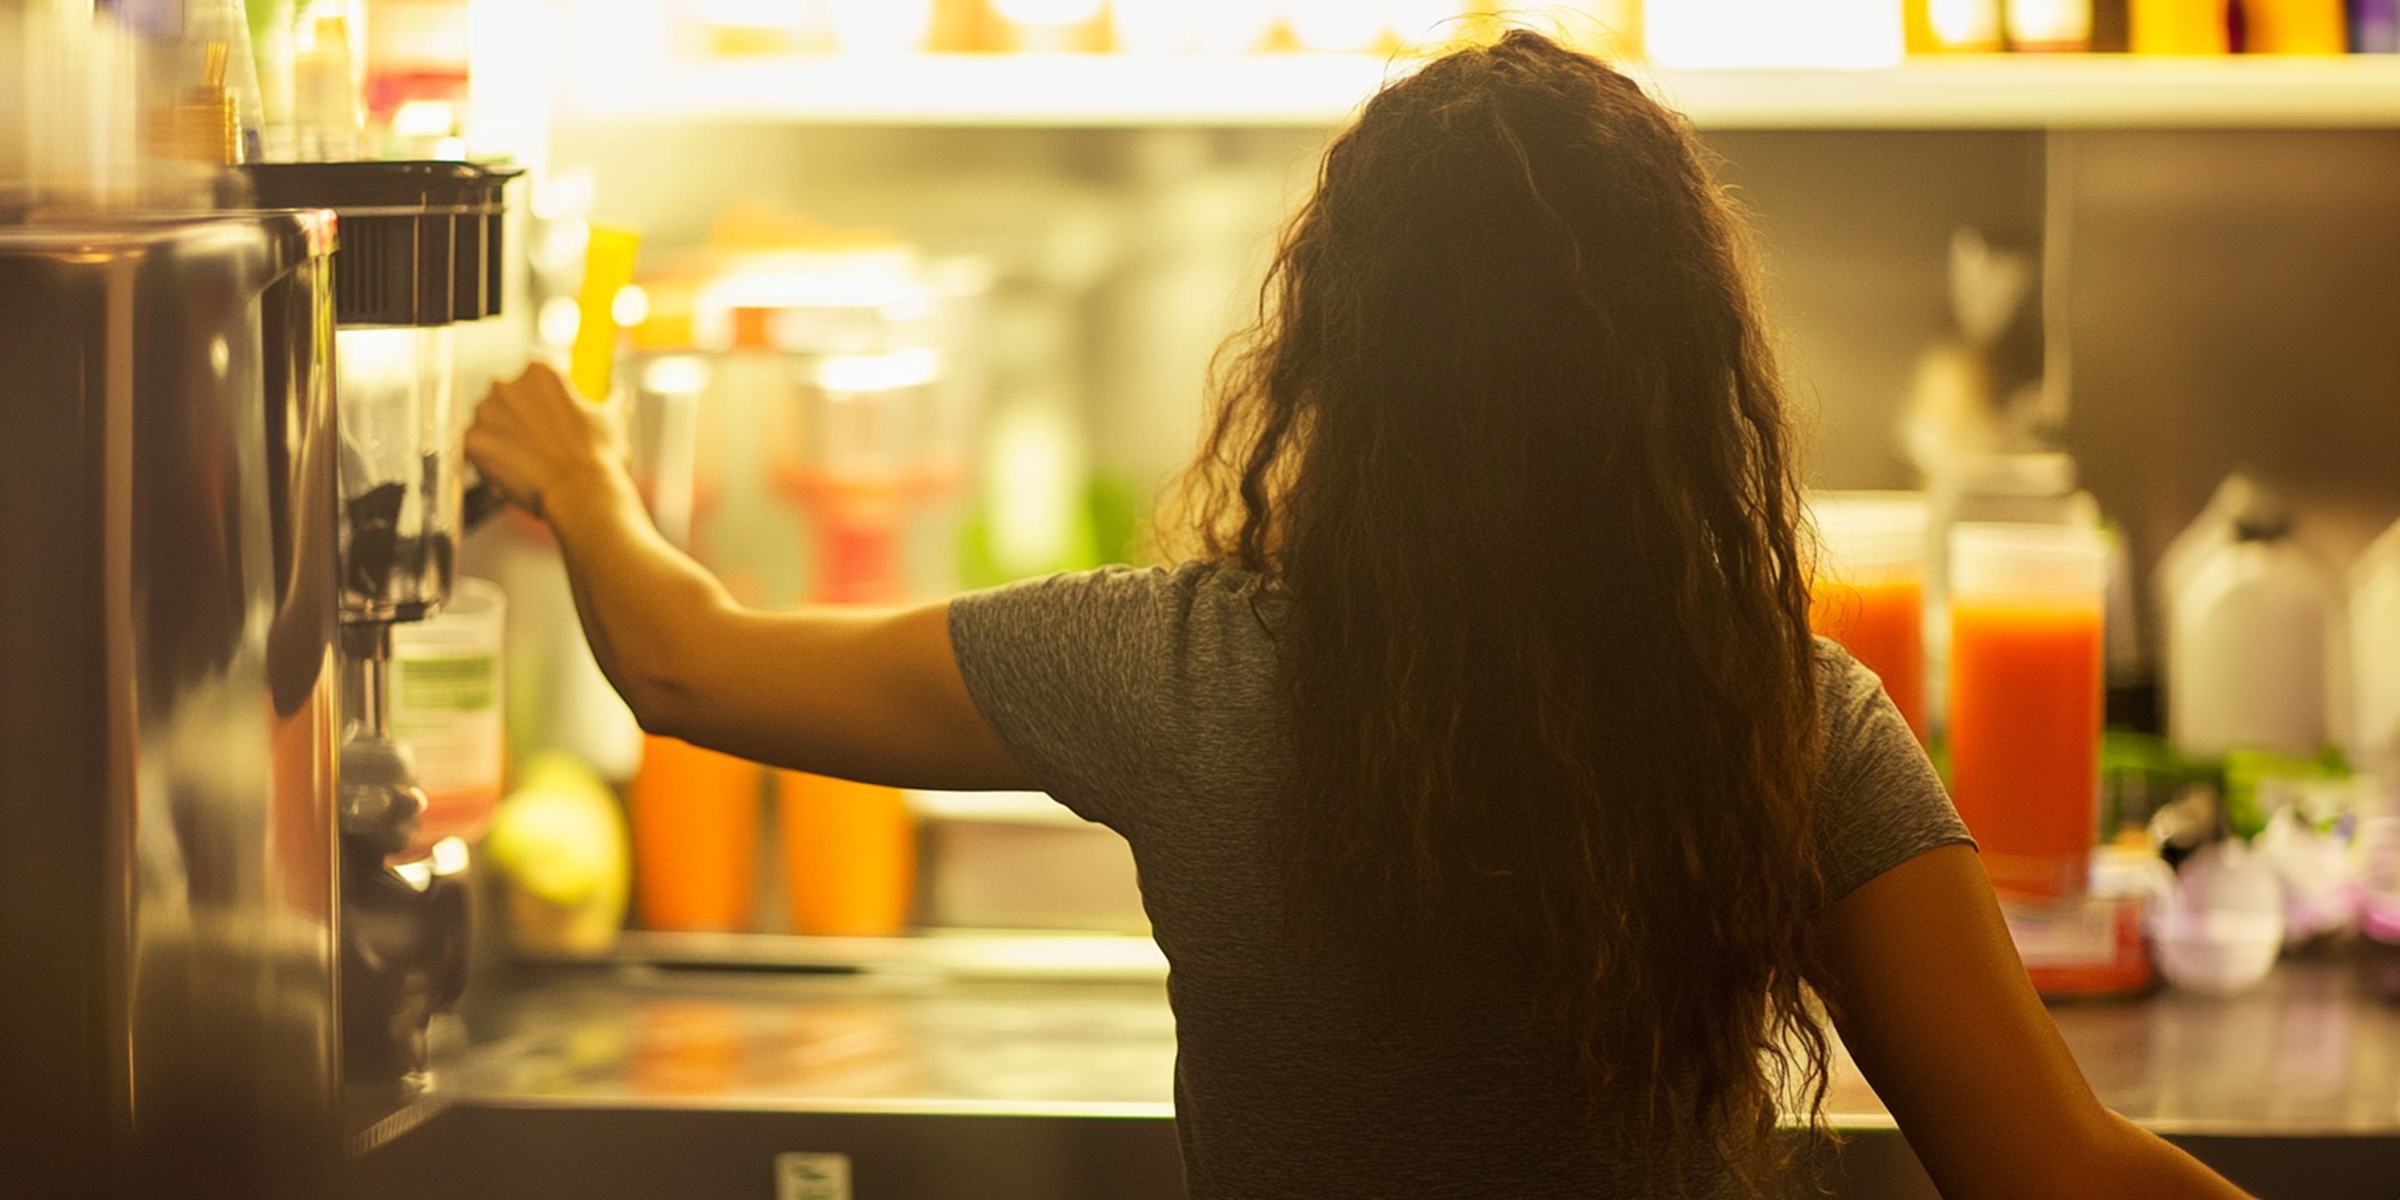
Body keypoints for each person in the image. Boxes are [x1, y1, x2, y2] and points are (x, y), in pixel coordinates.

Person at [467, 30, 2249, 1200]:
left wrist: (584, 466)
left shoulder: (1170, 673)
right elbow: (2064, 1177)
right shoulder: (1777, 718)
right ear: (1683, 385)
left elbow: (685, 661)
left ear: (1338, 367)